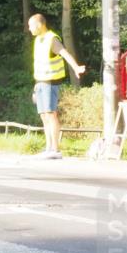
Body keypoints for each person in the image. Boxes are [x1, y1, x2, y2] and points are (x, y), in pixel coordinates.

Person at [27, 13, 85, 159]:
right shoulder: (38, 40)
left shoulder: (51, 39)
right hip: (40, 82)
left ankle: (55, 149)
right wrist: (36, 84)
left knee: (51, 114)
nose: (29, 29)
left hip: (50, 82)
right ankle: (48, 148)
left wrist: (76, 68)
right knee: (44, 116)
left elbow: (65, 54)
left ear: (39, 25)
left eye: (31, 26)